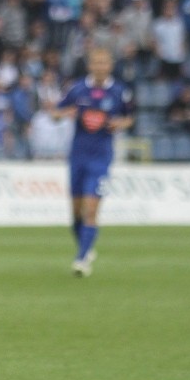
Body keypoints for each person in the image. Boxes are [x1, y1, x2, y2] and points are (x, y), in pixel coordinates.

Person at [55, 47, 134, 277]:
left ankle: (81, 260)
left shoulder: (119, 92)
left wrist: (120, 124)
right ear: (90, 65)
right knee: (76, 213)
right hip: (77, 156)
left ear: (110, 65)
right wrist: (63, 114)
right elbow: (56, 113)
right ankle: (85, 246)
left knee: (91, 209)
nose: (100, 67)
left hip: (101, 158)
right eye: (96, 63)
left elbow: (129, 118)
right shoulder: (77, 89)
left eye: (104, 63)